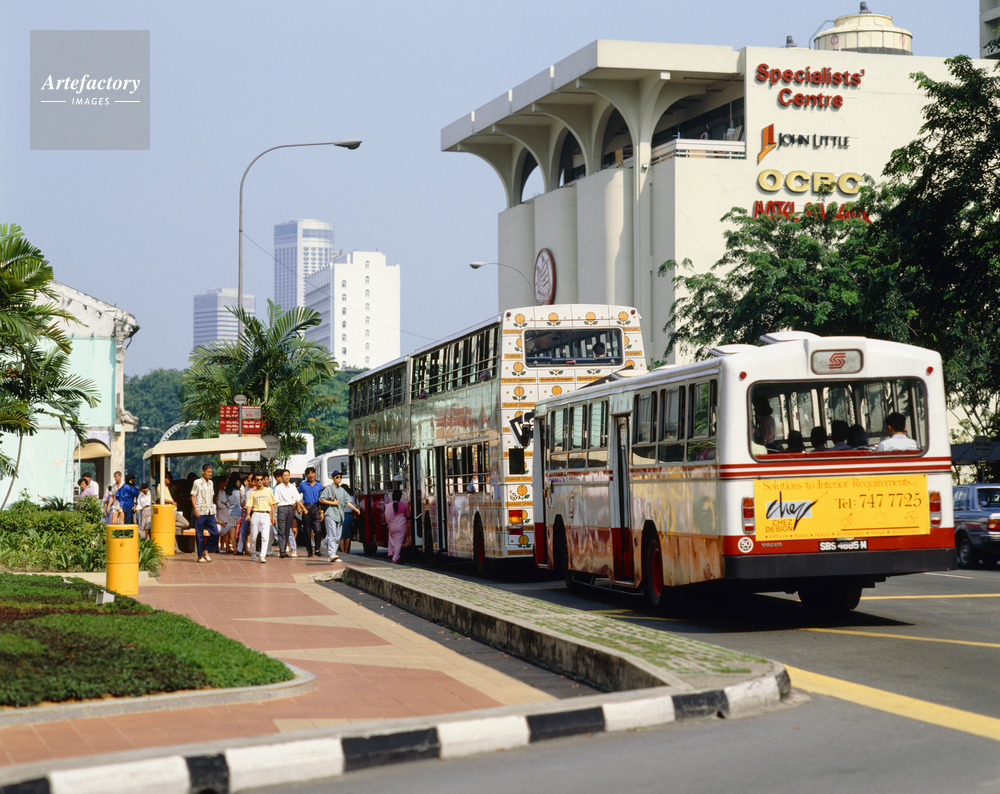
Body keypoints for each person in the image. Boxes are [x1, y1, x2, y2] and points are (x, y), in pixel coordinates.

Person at [319, 472, 359, 563]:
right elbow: (321, 499)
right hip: (330, 514)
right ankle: (331, 554)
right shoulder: (329, 488)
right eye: (337, 477)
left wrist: (355, 509)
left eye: (340, 477)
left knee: (337, 536)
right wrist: (332, 503)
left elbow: (347, 501)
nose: (339, 479)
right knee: (332, 534)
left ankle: (334, 553)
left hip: (340, 515)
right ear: (333, 478)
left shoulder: (342, 490)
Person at [190, 463, 219, 564]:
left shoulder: (211, 483)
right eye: (208, 472)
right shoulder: (197, 482)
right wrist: (195, 509)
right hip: (200, 511)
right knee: (200, 535)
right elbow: (193, 496)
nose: (210, 474)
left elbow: (211, 497)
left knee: (215, 533)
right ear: (203, 471)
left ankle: (206, 550)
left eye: (211, 472)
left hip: (210, 512)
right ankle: (200, 556)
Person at [246, 472, 276, 563]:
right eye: (257, 480)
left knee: (265, 536)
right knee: (253, 536)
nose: (259, 481)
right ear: (254, 481)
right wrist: (248, 514)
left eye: (261, 479)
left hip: (265, 514)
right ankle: (253, 553)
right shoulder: (252, 492)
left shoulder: (268, 491)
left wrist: (273, 516)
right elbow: (249, 505)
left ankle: (262, 555)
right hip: (255, 514)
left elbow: (273, 504)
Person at [296, 466, 324, 557]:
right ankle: (309, 551)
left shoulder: (319, 485)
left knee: (318, 530)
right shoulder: (303, 485)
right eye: (309, 473)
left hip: (316, 507)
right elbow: (296, 496)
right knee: (307, 531)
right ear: (306, 475)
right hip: (307, 507)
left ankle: (317, 549)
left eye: (312, 473)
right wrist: (298, 507)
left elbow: (322, 499)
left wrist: (322, 512)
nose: (311, 475)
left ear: (315, 474)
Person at [273, 468, 299, 559]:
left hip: (290, 508)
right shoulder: (278, 488)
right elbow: (275, 502)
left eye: (288, 475)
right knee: (281, 530)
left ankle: (284, 550)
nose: (287, 477)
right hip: (281, 508)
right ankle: (282, 551)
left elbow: (298, 498)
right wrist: (273, 515)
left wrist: (302, 508)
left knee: (287, 530)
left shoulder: (292, 487)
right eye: (285, 475)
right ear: (281, 477)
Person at [384, 488, 410, 564]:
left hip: (391, 526)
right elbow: (408, 515)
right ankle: (395, 558)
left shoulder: (388, 506)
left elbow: (386, 517)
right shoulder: (404, 505)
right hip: (401, 526)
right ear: (400, 497)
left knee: (393, 541)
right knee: (398, 542)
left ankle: (394, 555)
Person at [339, 482, 360, 555]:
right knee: (348, 535)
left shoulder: (340, 497)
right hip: (350, 516)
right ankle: (346, 551)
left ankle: (342, 552)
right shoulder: (351, 497)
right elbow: (354, 507)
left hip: (342, 516)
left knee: (341, 536)